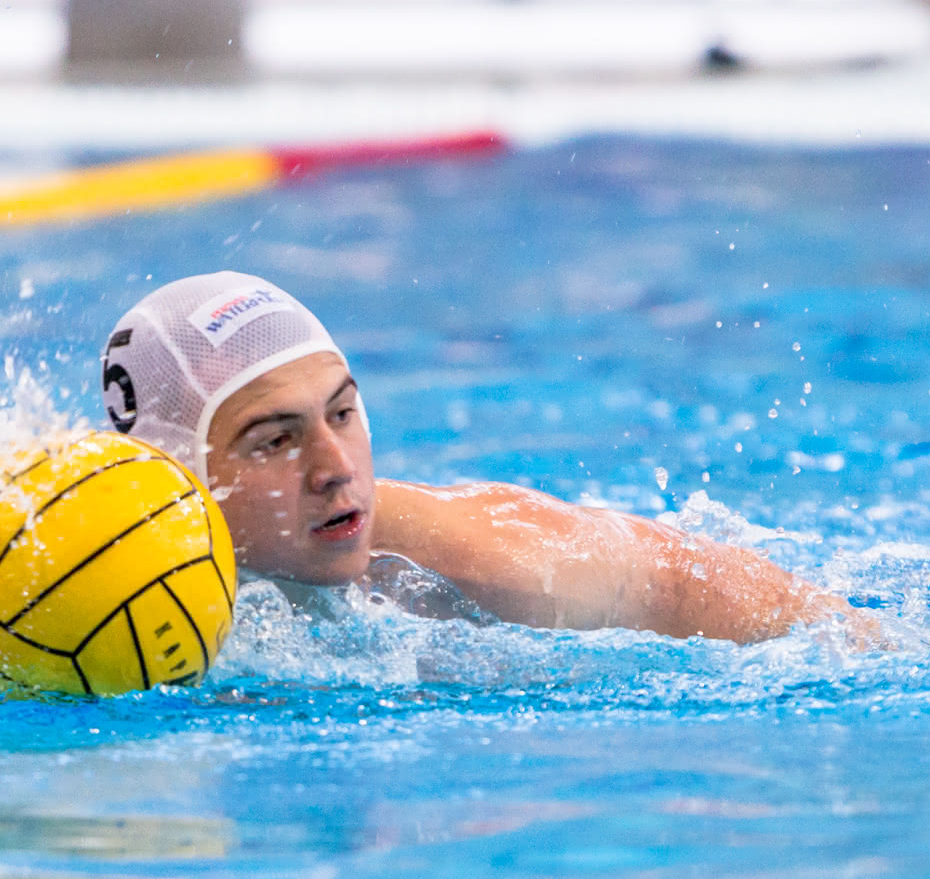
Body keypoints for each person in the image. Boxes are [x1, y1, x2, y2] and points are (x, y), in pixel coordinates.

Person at [100, 271, 875, 644]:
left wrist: (872, 643)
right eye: (276, 439)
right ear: (183, 476)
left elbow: (677, 579)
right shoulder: (75, 573)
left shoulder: (465, 557)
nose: (335, 465)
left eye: (343, 411)